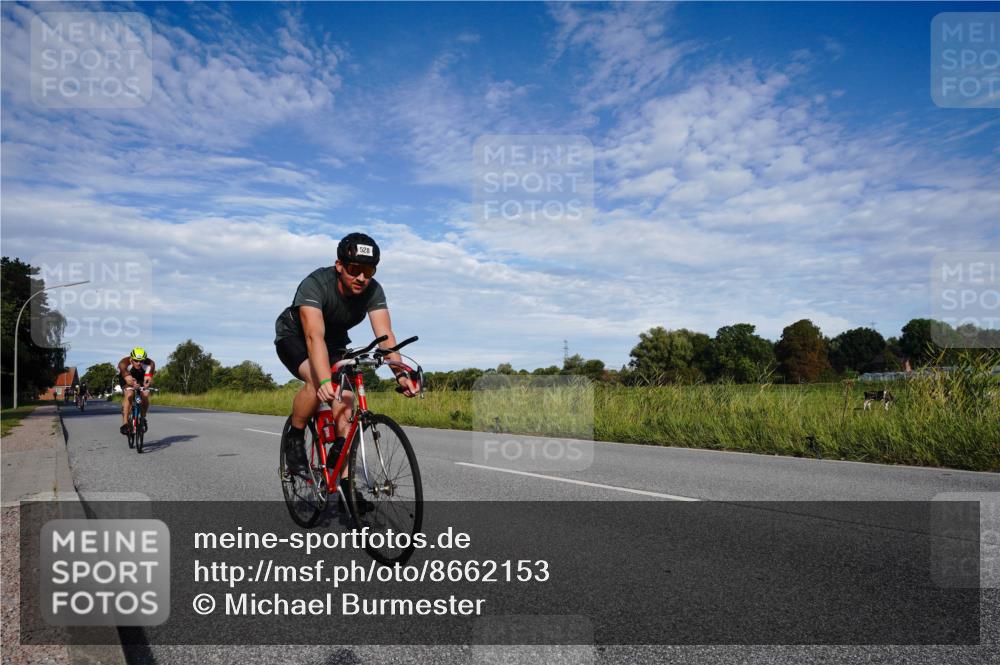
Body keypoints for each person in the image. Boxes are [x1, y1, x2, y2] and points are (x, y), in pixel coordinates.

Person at [274, 233, 420, 487]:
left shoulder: (373, 290)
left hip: (334, 340)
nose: (362, 278)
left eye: (369, 271)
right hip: (296, 335)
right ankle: (295, 437)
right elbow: (313, 336)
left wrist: (400, 373)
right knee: (316, 378)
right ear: (339, 265)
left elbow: (385, 335)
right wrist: (323, 380)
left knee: (346, 400)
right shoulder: (316, 283)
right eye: (354, 270)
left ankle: (345, 487)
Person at [117, 347, 156, 435]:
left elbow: (147, 378)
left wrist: (146, 384)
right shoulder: (123, 363)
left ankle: (142, 417)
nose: (139, 363)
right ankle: (125, 423)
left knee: (145, 395)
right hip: (127, 377)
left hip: (140, 377)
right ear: (131, 359)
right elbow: (129, 380)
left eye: (141, 361)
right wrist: (133, 385)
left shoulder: (150, 364)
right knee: (129, 393)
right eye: (136, 360)